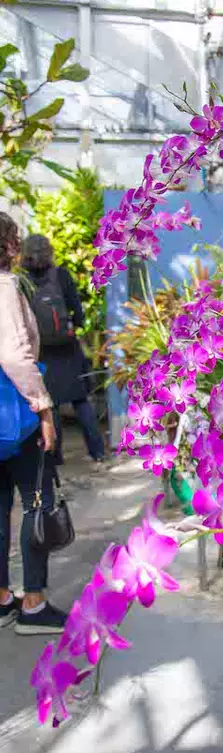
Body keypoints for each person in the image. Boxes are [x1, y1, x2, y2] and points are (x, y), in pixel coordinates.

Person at [0, 213, 67, 634]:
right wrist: (43, 409)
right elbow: (14, 357)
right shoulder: (5, 288)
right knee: (36, 500)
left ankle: (3, 598)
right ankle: (33, 603)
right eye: (13, 238)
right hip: (15, 413)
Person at [21, 234, 105, 465]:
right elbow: (78, 314)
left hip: (42, 352)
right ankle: (97, 453)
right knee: (81, 401)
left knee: (52, 405)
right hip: (68, 349)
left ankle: (55, 456)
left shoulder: (22, 281)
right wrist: (73, 325)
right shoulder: (61, 275)